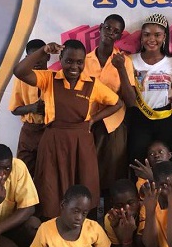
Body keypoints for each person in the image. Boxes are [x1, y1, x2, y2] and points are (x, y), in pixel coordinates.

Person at [13, 40, 122, 218]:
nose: (74, 66)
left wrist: (94, 119)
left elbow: (117, 103)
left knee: (85, 183)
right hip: (53, 142)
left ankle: (84, 232)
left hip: (81, 142)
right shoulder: (49, 78)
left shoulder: (92, 84)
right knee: (50, 187)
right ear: (61, 58)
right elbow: (20, 72)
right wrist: (44, 50)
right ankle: (51, 231)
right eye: (69, 61)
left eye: (79, 62)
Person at [84, 14, 136, 204]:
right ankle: (89, 220)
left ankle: (109, 220)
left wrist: (121, 68)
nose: (110, 33)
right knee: (88, 174)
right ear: (100, 28)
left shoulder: (125, 61)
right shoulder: (84, 59)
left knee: (113, 175)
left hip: (114, 125)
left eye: (116, 32)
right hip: (87, 123)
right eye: (108, 28)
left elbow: (130, 101)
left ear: (119, 36)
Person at [127, 14, 172, 167]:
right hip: (140, 118)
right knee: (138, 159)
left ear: (164, 37)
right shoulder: (130, 60)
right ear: (141, 37)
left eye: (157, 35)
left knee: (166, 163)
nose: (151, 39)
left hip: (166, 119)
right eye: (147, 34)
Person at [9, 39, 50, 177]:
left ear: (48, 56)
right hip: (29, 130)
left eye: (41, 56)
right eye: (33, 57)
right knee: (23, 172)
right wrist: (32, 108)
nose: (37, 61)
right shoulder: (21, 80)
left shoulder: (55, 77)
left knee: (47, 173)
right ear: (27, 58)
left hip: (49, 130)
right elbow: (14, 109)